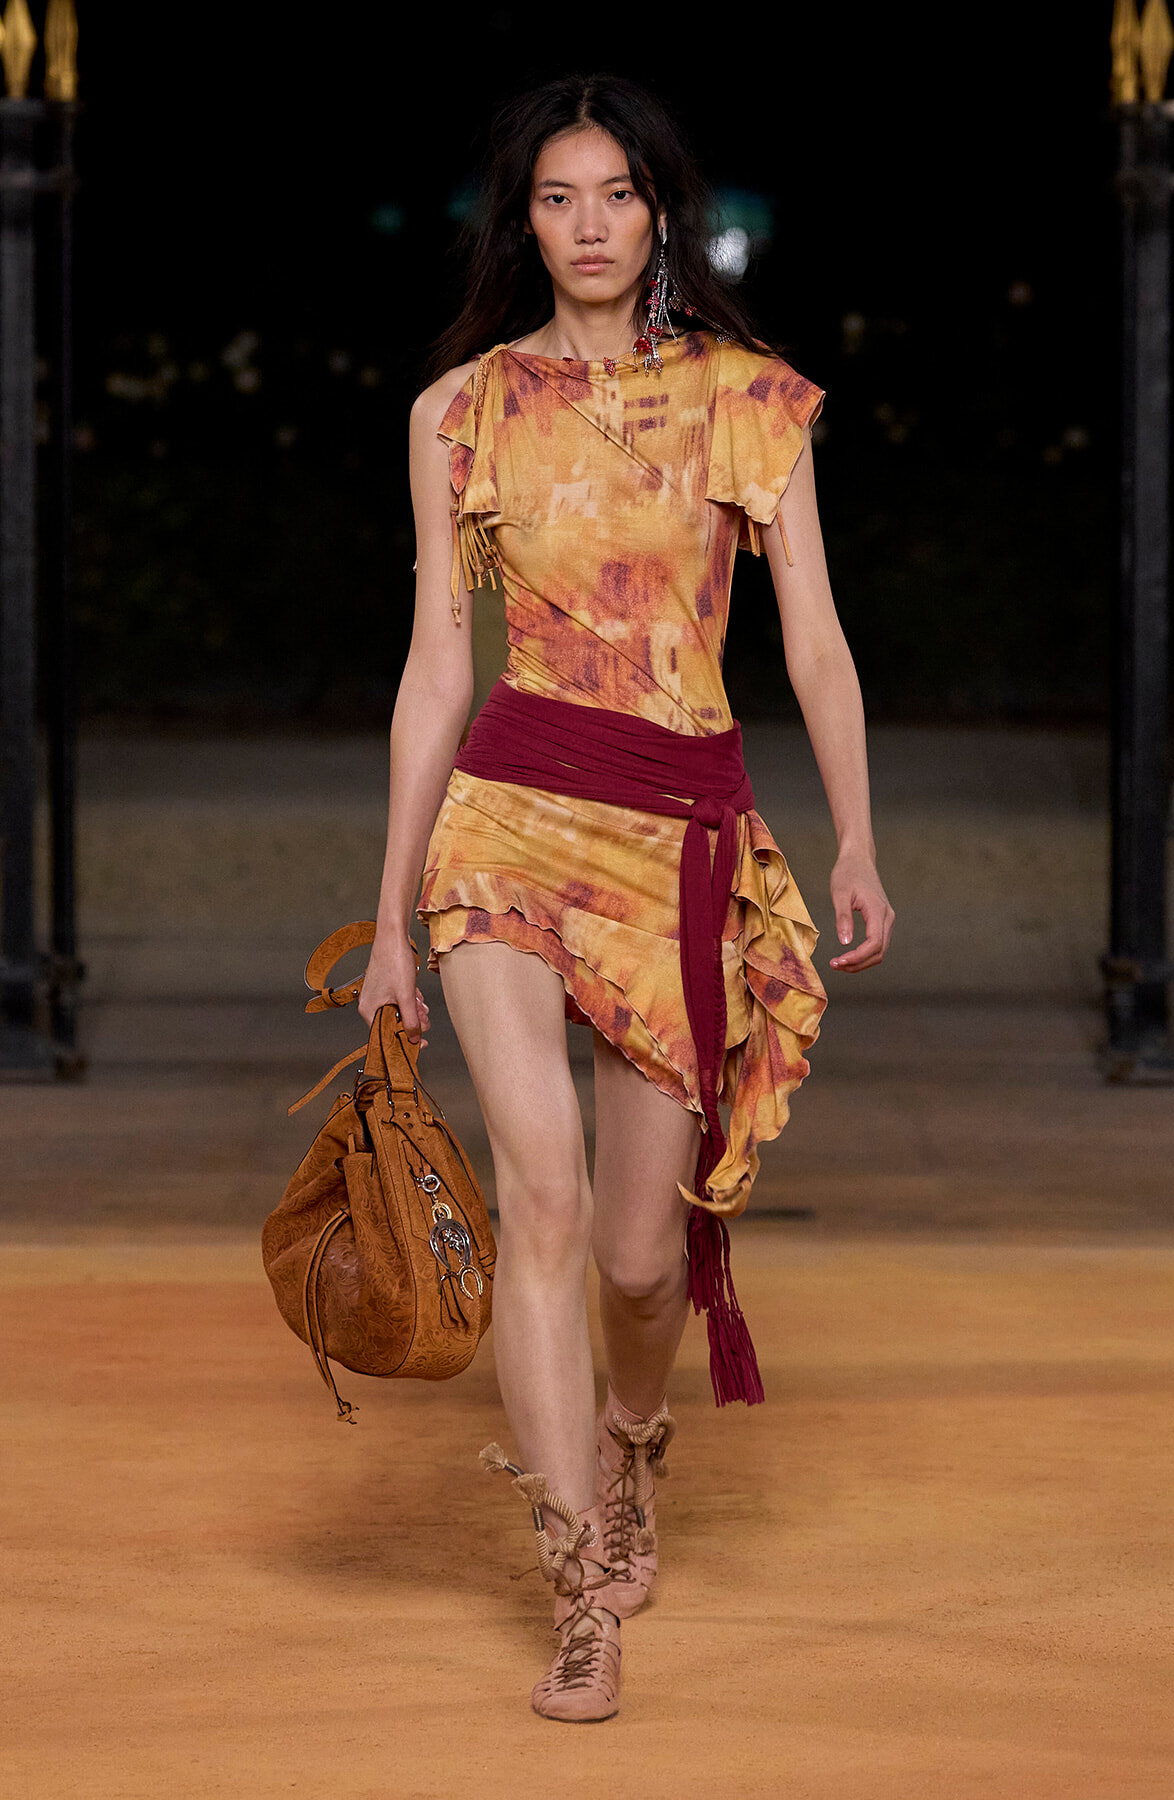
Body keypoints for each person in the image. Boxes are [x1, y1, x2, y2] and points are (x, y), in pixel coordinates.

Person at [357, 73, 894, 1723]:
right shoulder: (461, 412)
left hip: (680, 838)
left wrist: (857, 838)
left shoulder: (746, 400)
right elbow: (438, 662)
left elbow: (808, 635)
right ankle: (580, 1579)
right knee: (543, 1199)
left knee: (643, 1259)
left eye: (615, 196)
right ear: (521, 224)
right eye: (554, 199)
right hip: (506, 828)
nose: (586, 226)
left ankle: (630, 1441)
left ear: (661, 212)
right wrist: (389, 908)